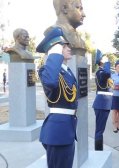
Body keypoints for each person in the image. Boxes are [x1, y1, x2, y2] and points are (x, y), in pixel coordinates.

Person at [36, 27, 78, 168]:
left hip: (67, 128)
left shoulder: (67, 71)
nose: (68, 48)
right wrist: (54, 55)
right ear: (54, 49)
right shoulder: (46, 71)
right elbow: (51, 82)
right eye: (64, 45)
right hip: (58, 131)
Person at [92, 49, 113, 151]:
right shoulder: (101, 72)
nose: (107, 59)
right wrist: (107, 62)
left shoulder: (102, 72)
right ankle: (98, 152)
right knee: (99, 130)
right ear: (101, 61)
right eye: (105, 58)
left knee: (101, 129)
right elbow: (108, 73)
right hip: (102, 104)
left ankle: (99, 149)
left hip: (104, 103)